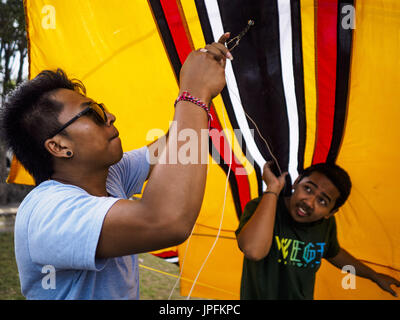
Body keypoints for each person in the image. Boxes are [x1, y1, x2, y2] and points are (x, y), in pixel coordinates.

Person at [0, 34, 233, 300]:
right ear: (59, 146)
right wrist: (193, 95)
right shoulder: (49, 212)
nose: (110, 116)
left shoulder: (109, 176)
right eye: (93, 112)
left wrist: (203, 80)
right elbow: (167, 220)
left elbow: (174, 143)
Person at [236, 161, 400, 299]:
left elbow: (333, 253)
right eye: (307, 189)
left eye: (322, 201)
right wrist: (272, 189)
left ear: (331, 212)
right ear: (297, 182)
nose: (309, 202)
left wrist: (374, 276)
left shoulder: (325, 225)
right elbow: (253, 250)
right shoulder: (262, 206)